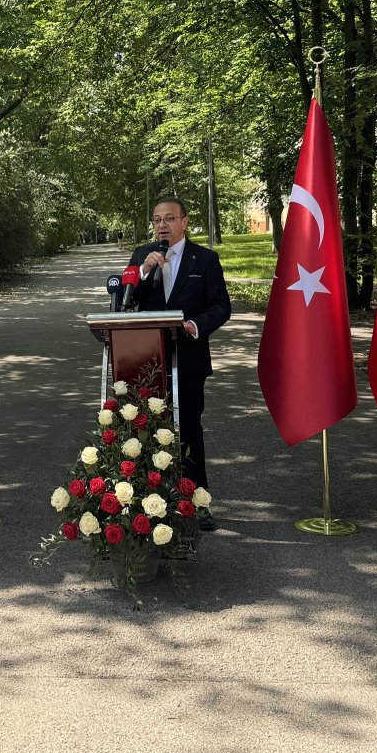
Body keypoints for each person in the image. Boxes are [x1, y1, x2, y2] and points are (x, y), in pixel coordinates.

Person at [128, 197, 231, 531]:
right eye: (157, 219)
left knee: (188, 429)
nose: (162, 225)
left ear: (184, 222)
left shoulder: (206, 259)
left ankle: (195, 502)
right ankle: (147, 504)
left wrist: (195, 325)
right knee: (147, 429)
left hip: (188, 359)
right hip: (147, 362)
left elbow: (221, 306)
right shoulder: (143, 257)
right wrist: (144, 272)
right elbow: (126, 302)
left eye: (169, 218)